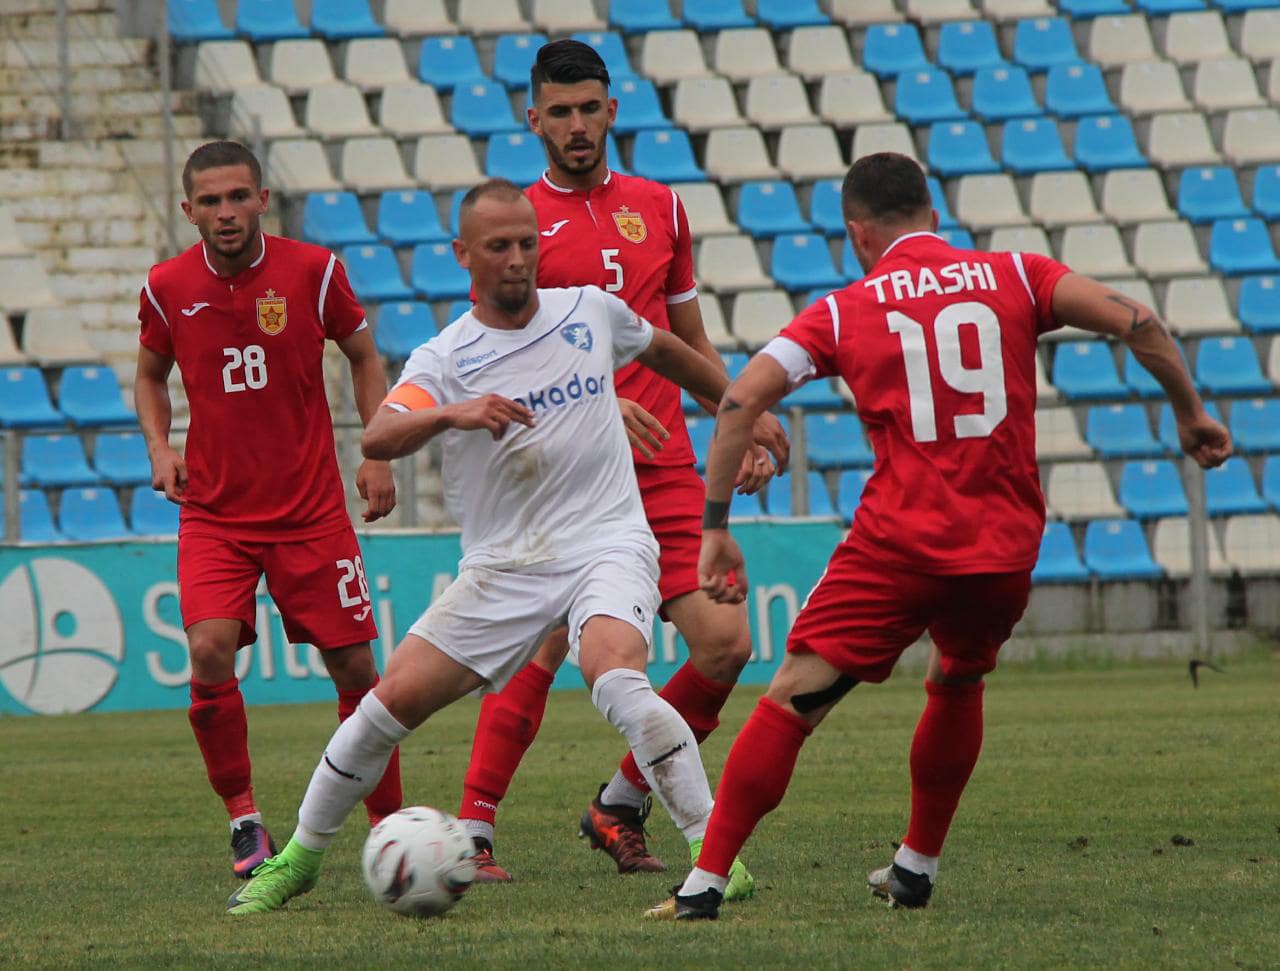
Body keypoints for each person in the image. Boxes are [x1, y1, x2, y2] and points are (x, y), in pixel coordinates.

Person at [646, 152, 1233, 920]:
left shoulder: (843, 308)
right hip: (1004, 546)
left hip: (900, 546)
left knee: (792, 698)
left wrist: (716, 527)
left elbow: (740, 400)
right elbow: (1140, 321)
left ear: (858, 232)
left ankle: (704, 883)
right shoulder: (1018, 275)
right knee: (958, 677)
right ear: (934, 212)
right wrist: (1190, 412)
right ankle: (915, 866)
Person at [224, 178, 758, 916]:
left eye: (528, 243)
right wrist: (454, 413)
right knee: (382, 710)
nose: (517, 259)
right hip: (505, 567)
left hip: (606, 542)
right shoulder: (448, 355)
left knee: (614, 675)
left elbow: (669, 350)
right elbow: (379, 432)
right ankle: (299, 860)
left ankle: (713, 852)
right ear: (462, 255)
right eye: (499, 246)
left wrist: (743, 412)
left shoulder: (588, 311)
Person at [455, 38, 787, 894]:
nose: (575, 125)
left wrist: (739, 419)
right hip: (571, 471)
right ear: (533, 119)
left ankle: (619, 800)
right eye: (558, 111)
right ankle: (473, 831)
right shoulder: (516, 223)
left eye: (588, 108)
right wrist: (598, 401)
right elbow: (500, 355)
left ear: (613, 109)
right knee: (537, 647)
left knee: (724, 645)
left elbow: (686, 339)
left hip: (668, 466)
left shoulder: (661, 208)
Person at [134, 140, 403, 879]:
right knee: (210, 649)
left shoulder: (313, 273)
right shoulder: (166, 286)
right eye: (210, 201)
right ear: (188, 210)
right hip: (215, 513)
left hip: (310, 511)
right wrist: (161, 448)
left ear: (261, 199)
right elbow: (150, 376)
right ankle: (244, 818)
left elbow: (364, 353)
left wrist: (375, 450)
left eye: (238, 196)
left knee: (354, 664)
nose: (226, 212)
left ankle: (388, 830)